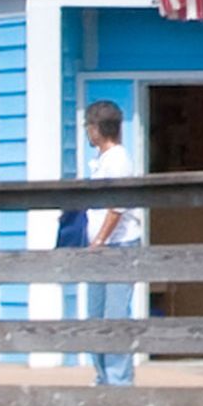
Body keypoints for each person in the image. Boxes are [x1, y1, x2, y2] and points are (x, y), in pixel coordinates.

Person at [60, 95, 147, 385]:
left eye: (88, 126)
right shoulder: (101, 160)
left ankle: (119, 380)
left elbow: (117, 207)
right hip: (101, 246)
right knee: (96, 314)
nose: (87, 131)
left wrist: (100, 238)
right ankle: (102, 376)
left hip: (119, 246)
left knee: (115, 314)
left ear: (97, 128)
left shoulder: (119, 159)